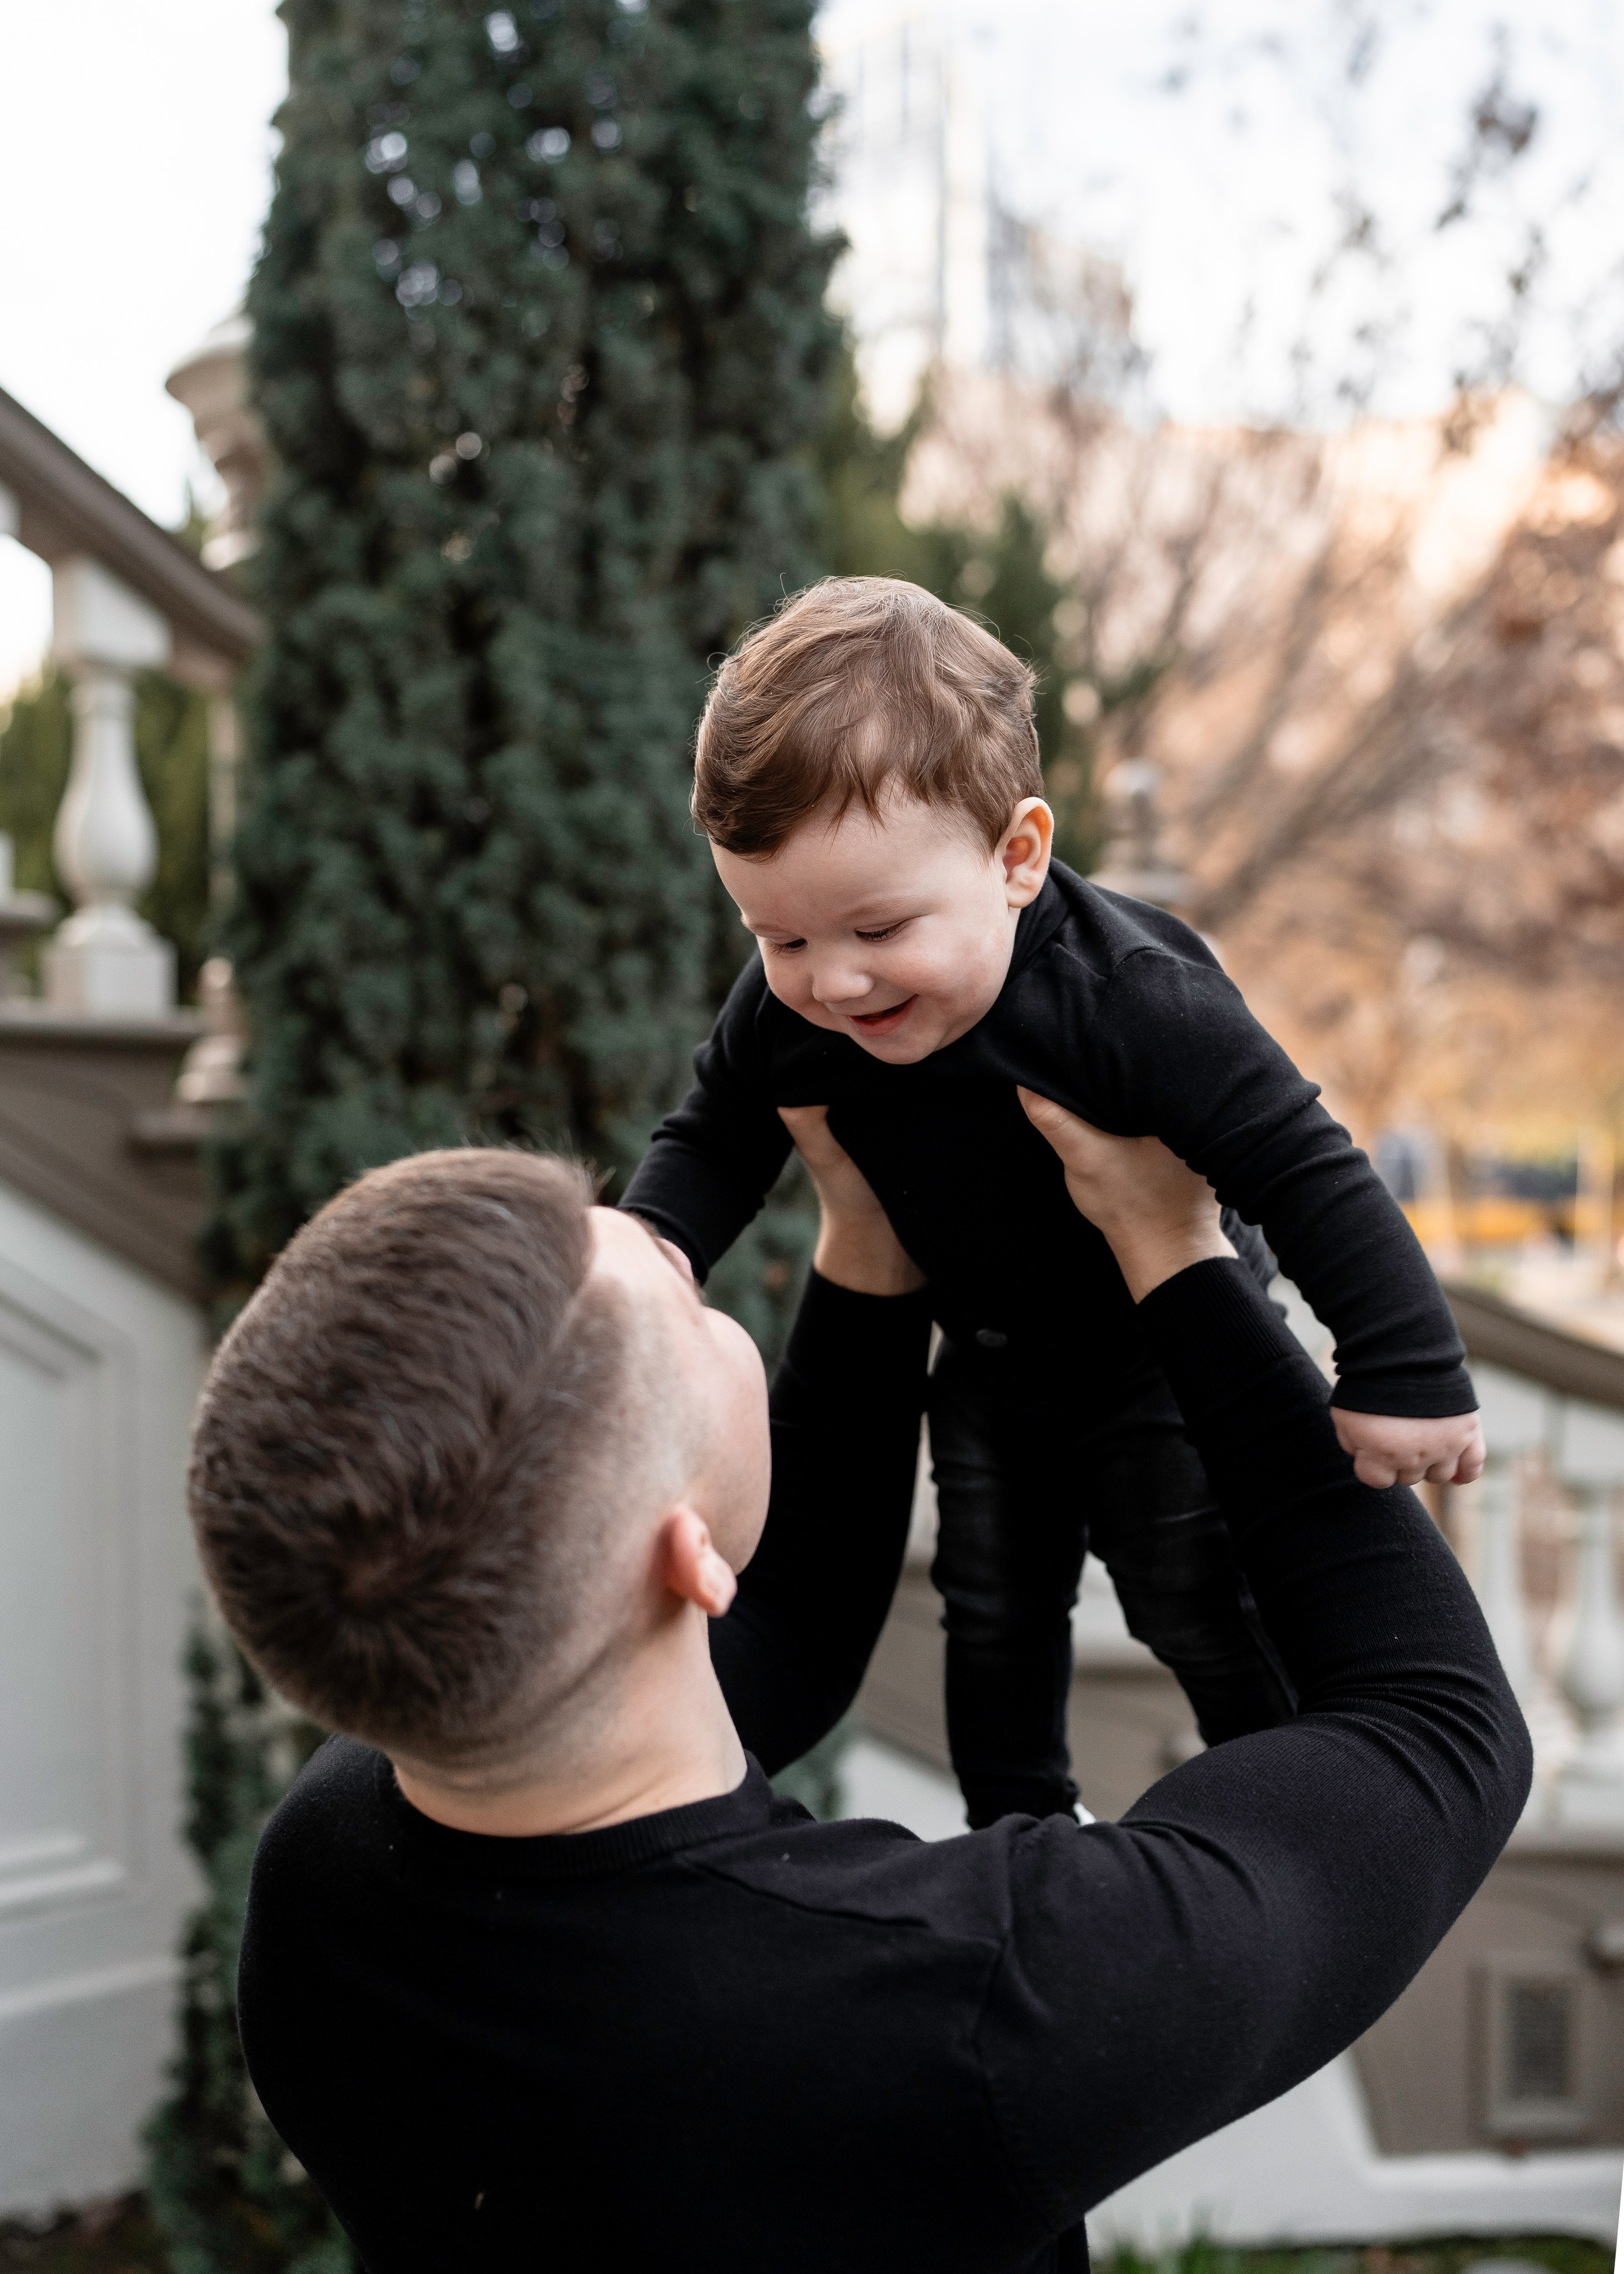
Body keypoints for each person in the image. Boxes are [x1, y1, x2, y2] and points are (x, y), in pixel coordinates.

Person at [197, 1109, 1528, 2273]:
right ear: (681, 1551)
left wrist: (864, 1235)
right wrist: (1182, 1258)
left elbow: (778, 1624)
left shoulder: (326, 1878)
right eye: (689, 1299)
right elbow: (1434, 1730)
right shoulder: (968, 2007)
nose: (703, 1273)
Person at [622, 575, 1487, 1826]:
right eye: (780, 936)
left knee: (1193, 1587)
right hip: (988, 1363)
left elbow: (1301, 1162)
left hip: (1163, 1362)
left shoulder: (1127, 996)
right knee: (992, 1605)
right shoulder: (791, 1007)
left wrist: (1405, 1366)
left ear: (1017, 856)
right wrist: (646, 1253)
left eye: (876, 924)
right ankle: (1017, 1823)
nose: (833, 979)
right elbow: (710, 1132)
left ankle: (1284, 1776)